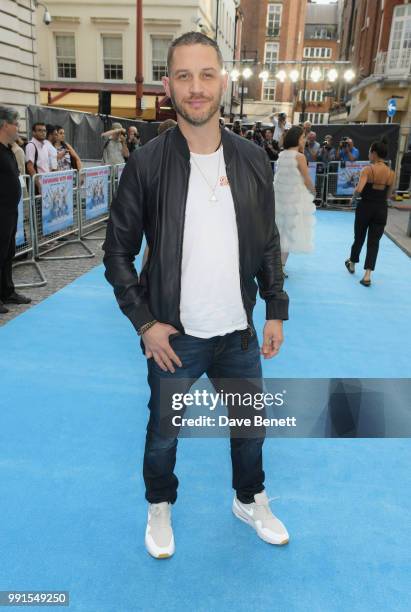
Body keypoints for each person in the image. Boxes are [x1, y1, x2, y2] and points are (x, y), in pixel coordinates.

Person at [103, 31, 290, 559]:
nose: (196, 87)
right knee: (163, 433)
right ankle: (159, 504)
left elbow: (268, 241)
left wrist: (275, 307)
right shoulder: (146, 164)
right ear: (169, 86)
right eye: (184, 76)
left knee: (251, 428)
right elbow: (116, 254)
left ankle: (250, 497)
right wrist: (144, 322)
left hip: (238, 332)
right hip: (174, 337)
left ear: (223, 81)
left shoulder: (254, 160)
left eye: (206, 74)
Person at [345, 139, 395, 286]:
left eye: (369, 152)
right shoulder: (391, 173)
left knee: (359, 237)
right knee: (374, 243)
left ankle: (352, 263)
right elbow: (388, 195)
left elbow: (359, 189)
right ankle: (367, 275)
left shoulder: (367, 169)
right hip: (381, 209)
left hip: (365, 207)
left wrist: (352, 198)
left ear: (373, 153)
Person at [0, 107, 31, 315]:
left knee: (8, 252)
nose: (18, 127)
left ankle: (7, 291)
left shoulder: (8, 149)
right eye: (16, 123)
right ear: (4, 125)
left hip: (10, 210)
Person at [274, 126, 316, 278]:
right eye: (303, 138)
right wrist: (313, 191)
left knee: (279, 232)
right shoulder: (299, 157)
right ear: (298, 139)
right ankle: (281, 266)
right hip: (294, 200)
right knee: (289, 233)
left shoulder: (282, 155)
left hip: (279, 199)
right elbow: (306, 179)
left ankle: (276, 265)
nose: (304, 140)